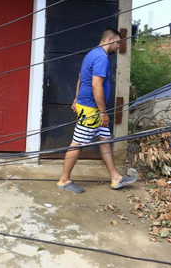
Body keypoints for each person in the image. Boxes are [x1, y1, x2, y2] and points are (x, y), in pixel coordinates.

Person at [56, 28, 136, 193]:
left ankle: (116, 178)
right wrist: (102, 112)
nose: (119, 47)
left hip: (89, 105)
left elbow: (81, 77)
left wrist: (77, 98)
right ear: (109, 40)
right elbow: (95, 85)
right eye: (118, 43)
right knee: (77, 143)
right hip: (92, 109)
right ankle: (64, 180)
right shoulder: (101, 58)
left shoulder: (91, 54)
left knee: (104, 140)